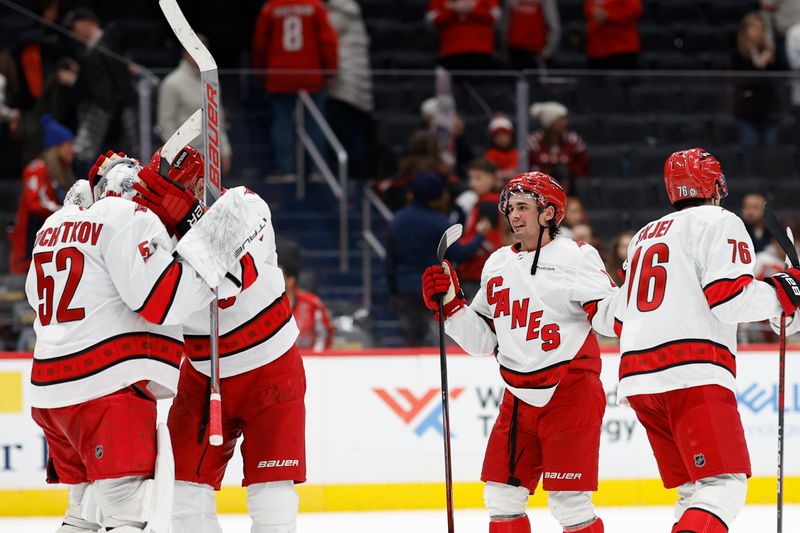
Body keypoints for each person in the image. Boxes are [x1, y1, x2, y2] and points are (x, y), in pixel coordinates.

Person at [26, 155, 249, 533]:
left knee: (84, 510)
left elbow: (36, 296)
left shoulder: (55, 224)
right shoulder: (126, 217)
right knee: (126, 514)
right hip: (104, 390)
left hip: (50, 394)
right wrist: (216, 262)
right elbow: (160, 298)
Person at [422, 172, 620, 533]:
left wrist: (630, 308)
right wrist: (449, 305)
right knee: (501, 498)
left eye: (523, 207)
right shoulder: (497, 263)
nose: (514, 215)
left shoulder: (576, 256)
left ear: (549, 213)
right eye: (510, 207)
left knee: (569, 503)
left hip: (570, 391)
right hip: (516, 398)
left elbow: (609, 318)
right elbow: (482, 340)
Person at [614, 148, 800, 532]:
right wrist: (784, 291)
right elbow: (729, 300)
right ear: (714, 185)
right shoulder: (719, 220)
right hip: (691, 372)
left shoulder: (642, 236)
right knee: (723, 487)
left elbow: (619, 319)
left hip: (637, 378)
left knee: (692, 491)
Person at [145, 145, 308, 533]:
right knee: (183, 491)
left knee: (271, 497)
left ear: (202, 184)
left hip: (269, 369)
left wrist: (189, 220)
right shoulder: (151, 232)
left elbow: (229, 282)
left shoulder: (244, 204)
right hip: (201, 372)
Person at [388, 171, 488, 346]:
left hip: (405, 289)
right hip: (434, 288)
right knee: (435, 342)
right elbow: (459, 254)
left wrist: (393, 292)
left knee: (413, 340)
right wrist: (480, 236)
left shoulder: (396, 221)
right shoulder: (439, 222)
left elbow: (389, 262)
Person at [251, 0, 338, 180]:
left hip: (280, 74)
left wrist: (261, 72)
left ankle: (286, 170)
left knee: (282, 124)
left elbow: (259, 44)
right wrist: (330, 71)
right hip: (310, 75)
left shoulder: (271, 8)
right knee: (314, 124)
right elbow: (328, 41)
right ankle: (317, 170)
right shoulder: (315, 6)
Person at [63, 8, 138, 171]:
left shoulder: (110, 40)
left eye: (75, 27)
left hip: (112, 112)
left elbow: (104, 83)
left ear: (86, 23)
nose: (74, 33)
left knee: (124, 159)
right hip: (107, 116)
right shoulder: (91, 50)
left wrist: (74, 81)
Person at [157, 35, 232, 176]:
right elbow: (166, 124)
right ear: (186, 52)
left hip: (211, 158)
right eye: (196, 50)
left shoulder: (212, 82)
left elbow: (218, 119)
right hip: (185, 160)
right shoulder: (172, 83)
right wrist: (178, 157)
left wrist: (225, 151)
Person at [9, 115, 74, 274]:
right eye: (69, 144)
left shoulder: (64, 171)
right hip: (29, 247)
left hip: (49, 245)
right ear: (56, 147)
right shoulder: (37, 170)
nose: (73, 149)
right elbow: (35, 204)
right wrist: (66, 212)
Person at [325, 0, 376, 179]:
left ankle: (352, 180)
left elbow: (320, 37)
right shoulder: (353, 12)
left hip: (344, 85)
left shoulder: (336, 14)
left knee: (347, 137)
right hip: (359, 87)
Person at [456, 158, 506, 301]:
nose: (473, 183)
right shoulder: (481, 201)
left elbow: (487, 238)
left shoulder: (488, 204)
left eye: (478, 178)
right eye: (471, 178)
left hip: (478, 271)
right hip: (477, 270)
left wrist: (466, 249)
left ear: (493, 178)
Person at [732, 12, 780, 148]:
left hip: (769, 111)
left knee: (769, 151)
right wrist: (760, 65)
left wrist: (772, 61)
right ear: (746, 31)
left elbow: (777, 79)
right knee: (750, 148)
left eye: (762, 29)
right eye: (756, 29)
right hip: (747, 112)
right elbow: (743, 81)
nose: (760, 33)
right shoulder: (739, 55)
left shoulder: (768, 53)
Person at [527, 102, 588, 195]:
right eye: (560, 120)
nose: (564, 123)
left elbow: (583, 167)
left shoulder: (573, 140)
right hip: (539, 190)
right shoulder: (534, 141)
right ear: (550, 122)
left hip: (570, 191)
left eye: (564, 119)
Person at [426, 0, 501, 71]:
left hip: (481, 50)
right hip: (451, 50)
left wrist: (473, 9)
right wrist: (453, 9)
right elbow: (434, 21)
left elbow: (494, 18)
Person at [282, 256, 335, 351]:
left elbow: (325, 334)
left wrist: (316, 357)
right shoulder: (267, 304)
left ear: (291, 280)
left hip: (311, 359)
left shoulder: (312, 304)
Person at [583, 0, 643, 70]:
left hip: (622, 49)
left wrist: (609, 15)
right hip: (596, 49)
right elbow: (588, 8)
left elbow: (635, 10)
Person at [505, 0, 560, 69]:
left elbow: (554, 26)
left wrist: (548, 50)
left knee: (533, 78)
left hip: (536, 52)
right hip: (514, 51)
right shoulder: (511, 1)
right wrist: (505, 49)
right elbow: (506, 24)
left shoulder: (545, 1)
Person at [483, 114, 519, 181]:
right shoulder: (490, 154)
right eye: (498, 136)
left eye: (505, 136)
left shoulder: (516, 152)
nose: (502, 139)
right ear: (493, 138)